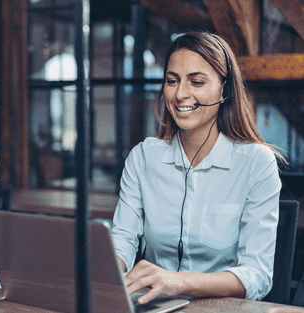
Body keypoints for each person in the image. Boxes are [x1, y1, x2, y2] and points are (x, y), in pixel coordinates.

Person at [111, 32, 284, 304]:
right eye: (172, 81)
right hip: (153, 305)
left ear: (224, 89)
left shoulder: (256, 163)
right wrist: (109, 269)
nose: (181, 94)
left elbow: (257, 275)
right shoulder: (143, 158)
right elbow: (123, 238)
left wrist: (177, 281)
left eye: (197, 82)